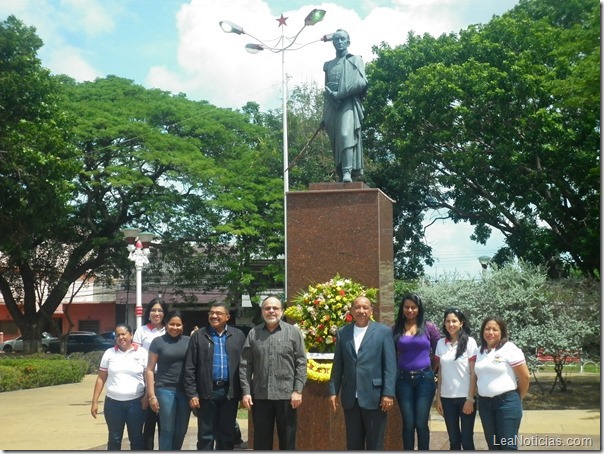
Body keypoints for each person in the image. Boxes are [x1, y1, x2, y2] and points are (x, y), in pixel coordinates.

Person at [328, 296, 397, 450]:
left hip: (376, 398)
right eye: (357, 307)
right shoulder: (343, 332)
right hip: (351, 399)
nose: (361, 311)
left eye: (365, 307)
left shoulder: (383, 332)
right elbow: (338, 364)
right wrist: (333, 391)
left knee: (375, 444)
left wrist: (388, 393)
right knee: (353, 445)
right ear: (351, 310)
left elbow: (390, 366)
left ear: (371, 310)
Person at [239, 296, 307, 450]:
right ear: (262, 312)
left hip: (287, 396)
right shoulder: (253, 334)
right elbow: (245, 365)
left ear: (282, 311)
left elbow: (301, 363)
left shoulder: (293, 333)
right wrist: (246, 391)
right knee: (261, 441)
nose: (271, 311)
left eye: (275, 308)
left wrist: (298, 390)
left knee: (287, 440)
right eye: (267, 308)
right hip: (260, 395)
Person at [184, 302, 246, 450]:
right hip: (207, 392)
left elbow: (244, 365)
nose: (214, 316)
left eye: (218, 313)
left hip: (229, 393)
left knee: (226, 434)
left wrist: (244, 392)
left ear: (227, 317)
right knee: (206, 435)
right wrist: (192, 393)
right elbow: (190, 366)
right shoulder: (199, 336)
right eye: (211, 313)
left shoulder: (238, 336)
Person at [472, 316, 529, 450]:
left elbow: (525, 377)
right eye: (487, 329)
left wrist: (517, 398)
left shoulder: (510, 349)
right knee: (493, 446)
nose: (490, 332)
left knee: (508, 446)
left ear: (502, 332)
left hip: (507, 404)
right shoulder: (479, 351)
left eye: (495, 329)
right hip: (485, 405)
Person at [392, 293, 441, 450]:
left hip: (424, 380)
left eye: (414, 307)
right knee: (408, 423)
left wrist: (431, 371)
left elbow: (439, 352)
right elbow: (391, 354)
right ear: (402, 308)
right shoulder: (396, 329)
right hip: (403, 380)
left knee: (421, 423)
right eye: (407, 307)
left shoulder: (429, 327)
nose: (410, 310)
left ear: (419, 309)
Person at [91, 323, 148, 450]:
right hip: (113, 404)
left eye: (124, 334)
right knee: (114, 438)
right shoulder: (109, 353)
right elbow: (101, 378)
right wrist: (95, 401)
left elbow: (148, 376)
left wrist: (147, 397)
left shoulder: (142, 353)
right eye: (118, 335)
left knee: (136, 438)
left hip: (136, 404)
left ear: (131, 335)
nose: (121, 337)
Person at [322, 29, 367, 183]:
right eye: (336, 39)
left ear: (348, 41)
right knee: (336, 141)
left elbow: (361, 83)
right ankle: (341, 171)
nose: (339, 42)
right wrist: (324, 115)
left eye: (342, 39)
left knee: (345, 134)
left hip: (348, 103)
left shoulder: (355, 60)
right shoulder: (328, 65)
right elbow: (326, 90)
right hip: (332, 107)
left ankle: (348, 171)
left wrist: (340, 93)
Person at [145, 310, 191, 450]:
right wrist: (152, 396)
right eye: (172, 324)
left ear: (183, 326)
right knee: (167, 429)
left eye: (178, 324)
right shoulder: (158, 342)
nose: (175, 327)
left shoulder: (189, 341)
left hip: (185, 391)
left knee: (181, 430)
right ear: (166, 324)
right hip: (165, 390)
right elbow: (149, 369)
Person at [434, 308, 478, 450]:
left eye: (454, 321)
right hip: (447, 399)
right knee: (454, 441)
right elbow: (440, 373)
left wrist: (470, 399)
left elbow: (473, 373)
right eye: (448, 321)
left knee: (467, 441)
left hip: (466, 399)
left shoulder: (470, 343)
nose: (451, 324)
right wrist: (438, 398)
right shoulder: (441, 344)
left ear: (461, 323)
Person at [133, 297, 168, 450]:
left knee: (164, 423)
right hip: (146, 379)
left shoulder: (170, 329)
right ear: (149, 313)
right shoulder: (141, 332)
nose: (157, 313)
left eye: (160, 310)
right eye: (154, 310)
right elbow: (136, 358)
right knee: (148, 424)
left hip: (166, 380)